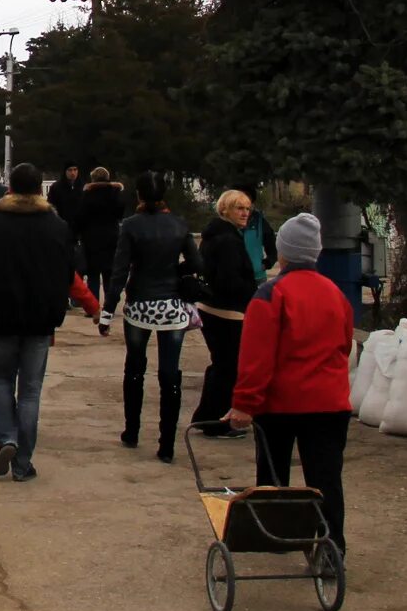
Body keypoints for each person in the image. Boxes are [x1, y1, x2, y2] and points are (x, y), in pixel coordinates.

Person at [226, 212, 356, 555]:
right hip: (329, 405)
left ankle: (274, 537)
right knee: (326, 480)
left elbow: (256, 357)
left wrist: (244, 403)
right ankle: (331, 549)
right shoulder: (336, 294)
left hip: (279, 405)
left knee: (272, 476)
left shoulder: (270, 295)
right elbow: (344, 345)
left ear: (283, 253)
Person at [0, 163, 103, 482]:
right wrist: (86, 304)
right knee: (30, 390)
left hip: (0, 315)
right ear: (40, 189)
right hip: (40, 319)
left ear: (10, 188)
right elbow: (70, 272)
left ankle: (6, 439)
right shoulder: (55, 227)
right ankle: (23, 463)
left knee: (0, 380)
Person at [103, 171, 202, 462]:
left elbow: (120, 269)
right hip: (172, 305)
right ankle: (167, 445)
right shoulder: (179, 225)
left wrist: (108, 309)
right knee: (170, 375)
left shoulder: (131, 226)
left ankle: (132, 431)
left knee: (135, 369)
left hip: (140, 304)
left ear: (139, 196)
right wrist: (176, 272)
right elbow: (197, 262)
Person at [190, 190, 260, 438]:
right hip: (227, 311)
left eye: (247, 208)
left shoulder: (216, 235)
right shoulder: (228, 240)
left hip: (213, 308)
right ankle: (216, 420)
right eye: (239, 208)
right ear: (225, 210)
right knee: (229, 366)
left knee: (222, 364)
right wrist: (253, 291)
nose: (245, 213)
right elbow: (229, 280)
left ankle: (207, 416)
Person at [73, 167, 125, 303]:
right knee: (109, 273)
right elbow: (120, 212)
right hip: (111, 236)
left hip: (91, 237)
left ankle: (93, 303)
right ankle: (109, 304)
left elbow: (80, 215)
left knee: (93, 274)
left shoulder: (88, 194)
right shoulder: (115, 193)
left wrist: (77, 233)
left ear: (93, 178)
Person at [47, 163, 83, 227]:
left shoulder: (83, 186)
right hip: (62, 224)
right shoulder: (56, 187)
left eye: (75, 170)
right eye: (70, 170)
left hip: (80, 225)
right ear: (65, 171)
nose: (73, 173)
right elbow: (50, 205)